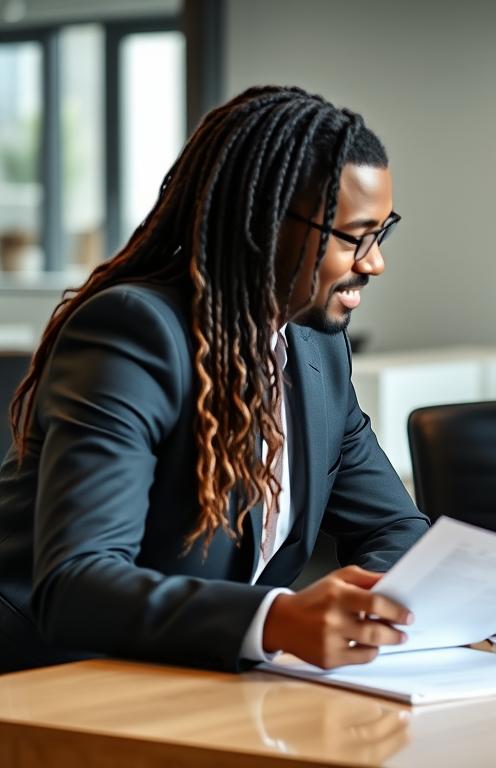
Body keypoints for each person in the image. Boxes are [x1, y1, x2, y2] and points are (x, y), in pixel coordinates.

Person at [0, 86, 430, 674]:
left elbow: (394, 525)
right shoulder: (135, 333)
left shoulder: (316, 345)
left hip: (198, 681)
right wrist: (278, 619)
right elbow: (77, 582)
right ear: (263, 224)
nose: (374, 261)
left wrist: (367, 606)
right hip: (53, 683)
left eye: (383, 233)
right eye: (354, 236)